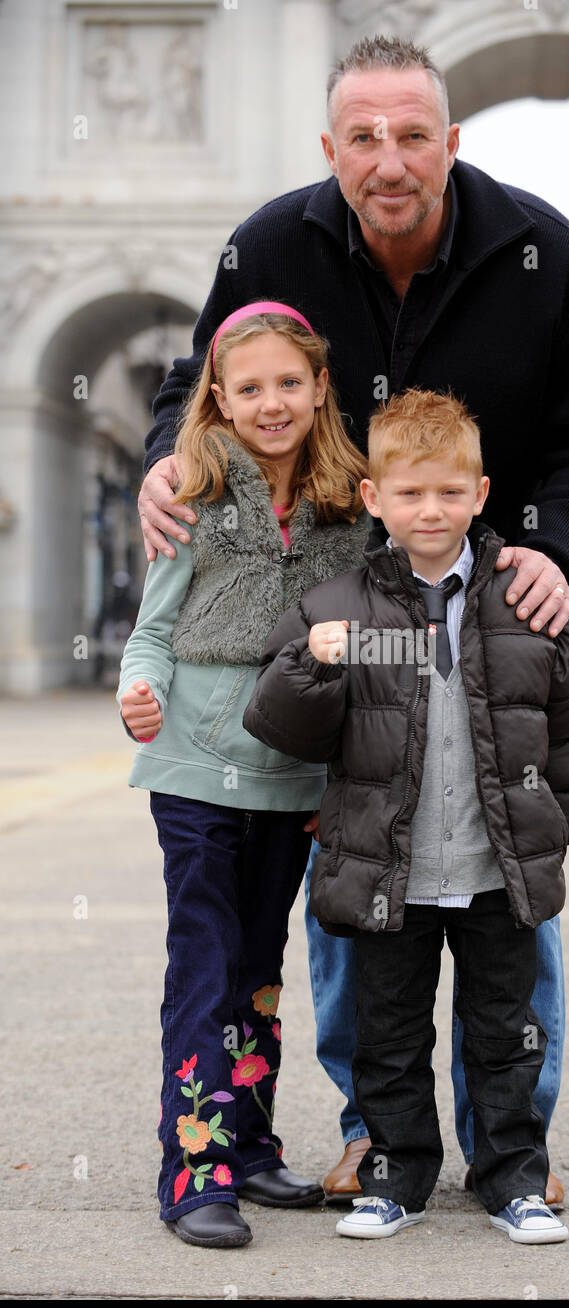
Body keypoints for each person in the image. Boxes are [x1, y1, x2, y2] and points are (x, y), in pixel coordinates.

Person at [134, 33, 569, 1200]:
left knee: (511, 883)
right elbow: (190, 385)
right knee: (357, 877)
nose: (389, 159)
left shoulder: (545, 254)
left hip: (494, 605)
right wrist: (168, 460)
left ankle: (514, 1143)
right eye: (363, 137)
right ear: (330, 149)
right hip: (345, 618)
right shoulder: (269, 243)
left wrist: (555, 553)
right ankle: (375, 1128)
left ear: (451, 143)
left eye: (413, 135)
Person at [244, 389, 569, 1244]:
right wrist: (311, 667)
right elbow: (276, 723)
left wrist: (558, 824)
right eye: (409, 493)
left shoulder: (525, 602)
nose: (429, 509)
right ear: (374, 500)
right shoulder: (340, 607)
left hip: (494, 867)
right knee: (388, 1033)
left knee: (506, 1032)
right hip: (385, 869)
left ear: (480, 494)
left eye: (448, 492)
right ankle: (393, 1178)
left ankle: (511, 1175)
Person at [117, 302, 370, 1247]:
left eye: (288, 385)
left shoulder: (349, 505)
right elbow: (151, 630)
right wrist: (137, 692)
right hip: (191, 767)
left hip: (292, 775)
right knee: (206, 963)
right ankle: (195, 1166)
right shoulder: (192, 490)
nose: (271, 404)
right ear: (217, 397)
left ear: (318, 390)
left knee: (260, 975)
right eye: (250, 388)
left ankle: (251, 1147)